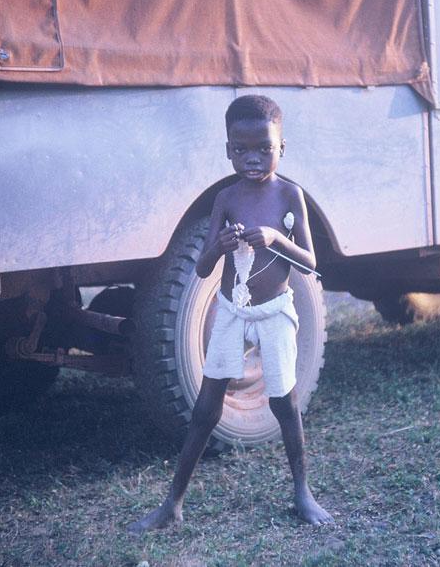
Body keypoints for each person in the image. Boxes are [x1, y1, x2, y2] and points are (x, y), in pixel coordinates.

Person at [129, 95, 333, 533]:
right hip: (231, 311)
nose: (253, 158)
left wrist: (276, 238)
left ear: (282, 147)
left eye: (264, 148)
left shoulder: (289, 194)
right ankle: (173, 503)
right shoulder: (226, 198)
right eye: (241, 150)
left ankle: (302, 492)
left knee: (284, 401)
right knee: (206, 406)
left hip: (275, 311)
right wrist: (219, 246)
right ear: (227, 151)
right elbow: (203, 268)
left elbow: (311, 263)